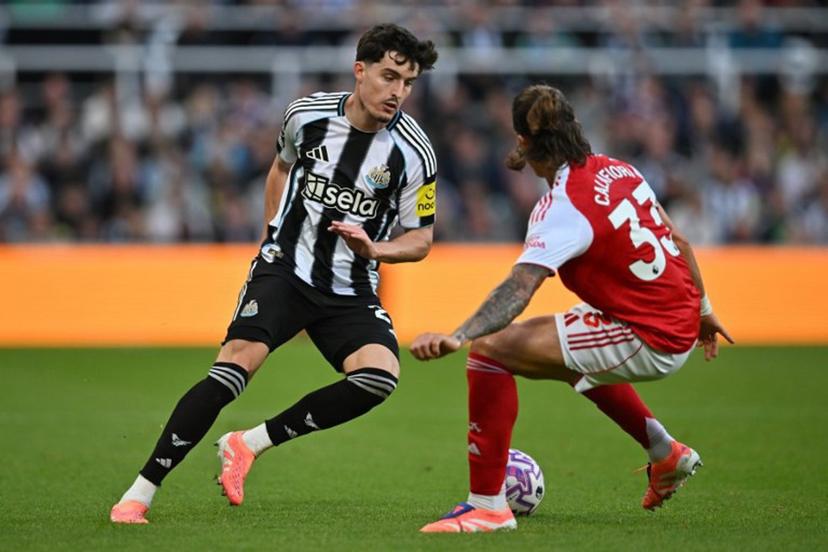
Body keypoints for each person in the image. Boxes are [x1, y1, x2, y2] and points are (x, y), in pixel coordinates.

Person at [110, 23, 439, 524]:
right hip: (285, 269)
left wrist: (377, 248)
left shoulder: (414, 153)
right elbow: (280, 168)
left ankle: (250, 442)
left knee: (379, 377)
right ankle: (140, 492)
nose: (398, 91)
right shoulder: (305, 117)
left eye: (408, 82)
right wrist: (270, 234)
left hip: (350, 288)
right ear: (360, 70)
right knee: (233, 368)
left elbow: (421, 239)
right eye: (389, 76)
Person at [411, 84, 733, 533]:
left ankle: (488, 506)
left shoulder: (562, 206)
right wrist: (704, 310)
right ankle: (666, 453)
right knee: (551, 353)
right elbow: (677, 239)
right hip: (668, 312)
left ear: (523, 141)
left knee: (490, 350)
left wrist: (460, 334)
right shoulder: (618, 169)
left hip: (651, 335)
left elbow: (520, 289)